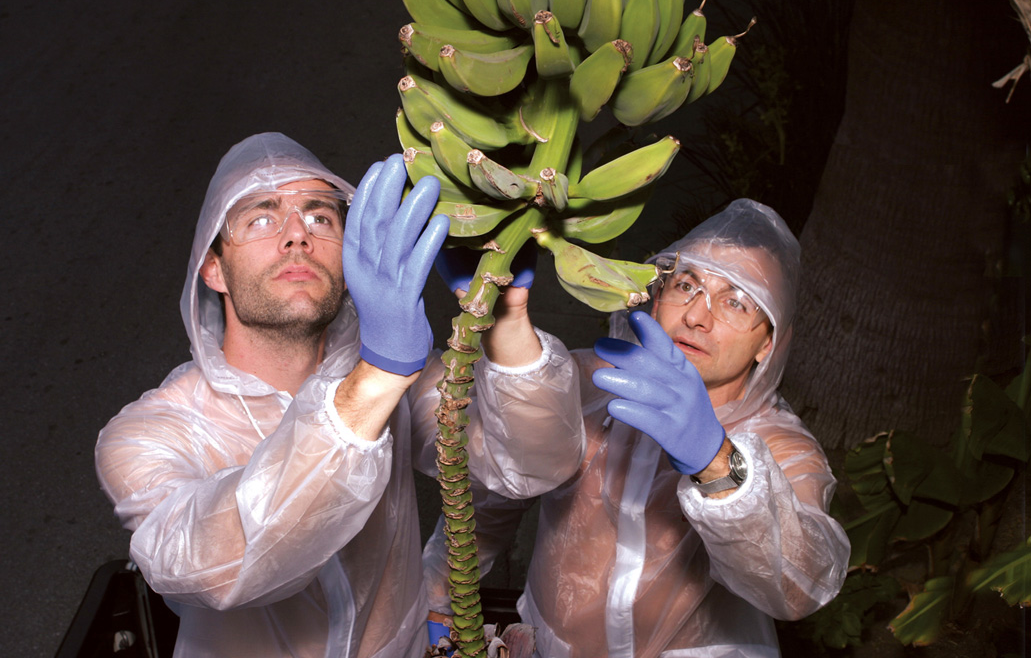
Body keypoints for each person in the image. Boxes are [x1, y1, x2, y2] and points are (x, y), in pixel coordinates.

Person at [95, 132, 585, 658]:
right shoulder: (149, 434)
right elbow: (212, 568)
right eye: (260, 218)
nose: (296, 236)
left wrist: (506, 322)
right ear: (212, 268)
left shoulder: (402, 387)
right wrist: (375, 379)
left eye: (320, 217)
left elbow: (533, 465)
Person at [423, 198, 850, 657]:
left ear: (768, 342)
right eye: (686, 285)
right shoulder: (590, 383)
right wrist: (439, 597)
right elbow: (492, 499)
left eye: (736, 302)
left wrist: (717, 463)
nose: (696, 316)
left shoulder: (782, 444)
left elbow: (799, 584)